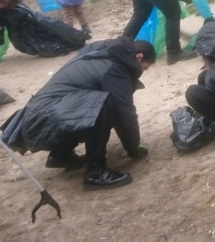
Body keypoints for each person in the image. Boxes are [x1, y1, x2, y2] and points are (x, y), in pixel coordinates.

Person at [20, 36, 156, 190]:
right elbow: (125, 113)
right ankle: (95, 172)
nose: (142, 72)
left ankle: (61, 155)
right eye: (144, 68)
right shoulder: (116, 68)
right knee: (106, 103)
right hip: (42, 124)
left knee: (94, 102)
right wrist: (134, 147)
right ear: (139, 57)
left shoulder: (102, 49)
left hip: (37, 118)